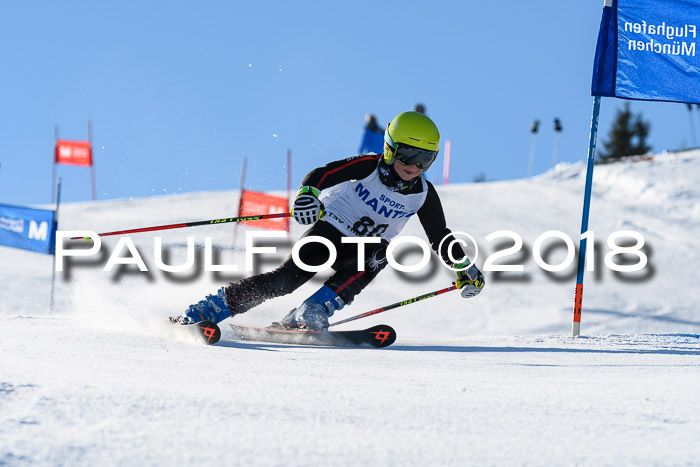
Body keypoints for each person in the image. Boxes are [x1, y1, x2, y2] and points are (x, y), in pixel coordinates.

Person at [172, 111, 485, 330]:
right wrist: (308, 194)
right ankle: (212, 307)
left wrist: (463, 266)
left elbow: (440, 236)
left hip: (364, 248)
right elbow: (321, 174)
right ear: (389, 148)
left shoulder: (423, 194)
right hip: (330, 231)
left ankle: (313, 311)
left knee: (380, 253)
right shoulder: (369, 167)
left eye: (425, 159)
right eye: (408, 155)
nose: (415, 166)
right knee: (286, 281)